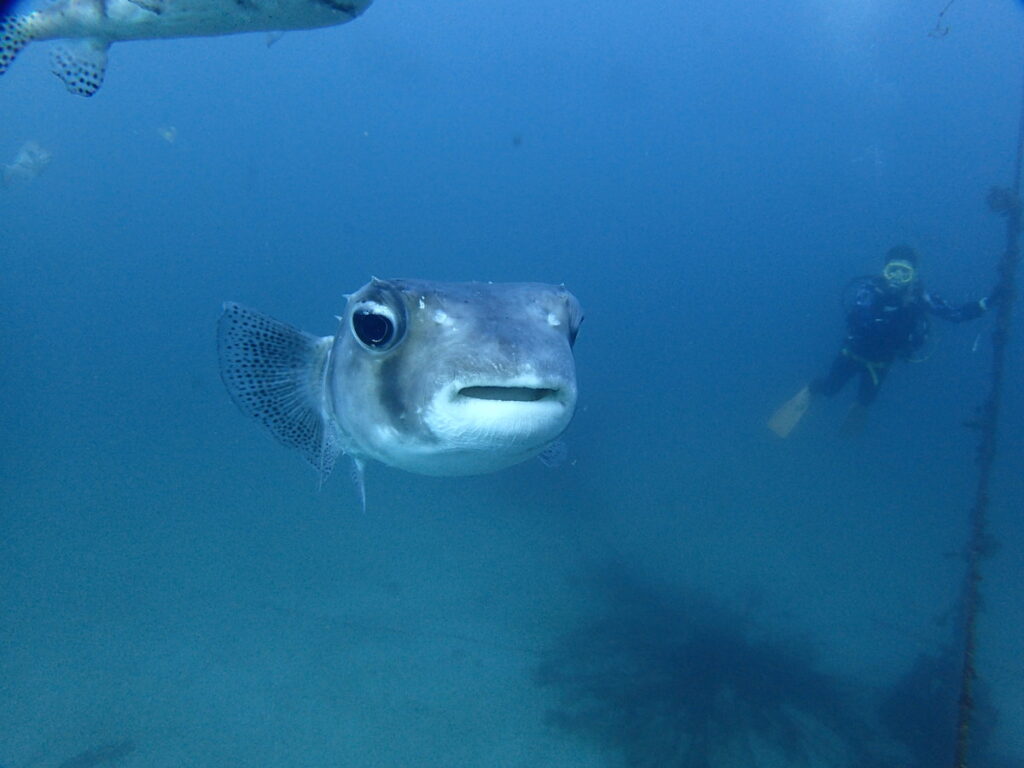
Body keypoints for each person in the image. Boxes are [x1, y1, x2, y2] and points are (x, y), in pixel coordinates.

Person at [769, 245, 999, 437]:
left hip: (880, 364)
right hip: (851, 355)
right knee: (830, 390)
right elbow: (862, 317)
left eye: (904, 272)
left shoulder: (920, 297)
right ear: (884, 271)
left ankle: (848, 433)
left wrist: (987, 302)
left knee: (866, 401)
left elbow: (955, 313)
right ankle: (811, 390)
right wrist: (896, 316)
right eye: (893, 271)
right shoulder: (870, 291)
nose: (897, 278)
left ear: (913, 275)